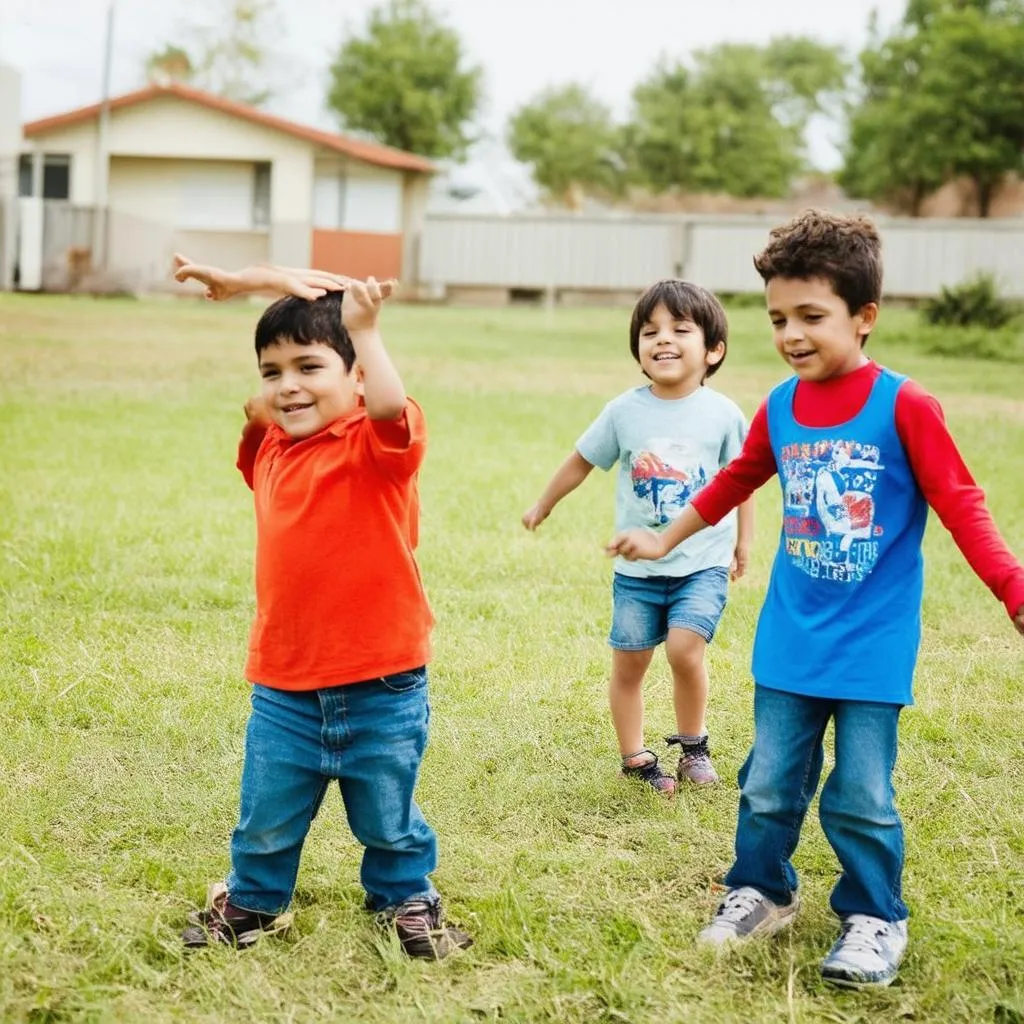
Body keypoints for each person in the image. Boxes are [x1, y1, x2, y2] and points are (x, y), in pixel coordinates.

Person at [607, 210, 1024, 987]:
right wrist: (666, 540)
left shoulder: (904, 406)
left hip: (872, 642)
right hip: (791, 638)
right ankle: (760, 890)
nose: (792, 334)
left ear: (865, 318)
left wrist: (1011, 585)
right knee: (768, 781)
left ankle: (873, 916)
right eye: (777, 319)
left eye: (811, 317)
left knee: (862, 793)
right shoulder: (782, 406)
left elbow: (963, 502)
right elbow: (735, 481)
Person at [170, 255, 472, 959]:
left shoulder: (377, 443)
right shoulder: (271, 447)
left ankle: (407, 904)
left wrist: (351, 323)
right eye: (272, 371)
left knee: (388, 819)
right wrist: (260, 291)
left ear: (357, 377)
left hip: (383, 681)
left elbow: (389, 394)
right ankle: (253, 905)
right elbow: (263, 409)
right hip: (285, 683)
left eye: (310, 366)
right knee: (265, 817)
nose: (289, 385)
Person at [523, 279, 753, 795]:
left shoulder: (723, 414)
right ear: (638, 351)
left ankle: (694, 746)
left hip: (702, 562)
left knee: (684, 649)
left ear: (713, 350)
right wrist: (544, 502)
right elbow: (582, 461)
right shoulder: (624, 411)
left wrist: (743, 542)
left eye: (680, 329)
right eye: (650, 332)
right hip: (637, 572)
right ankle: (636, 758)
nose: (662, 339)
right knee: (629, 663)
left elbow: (742, 483)